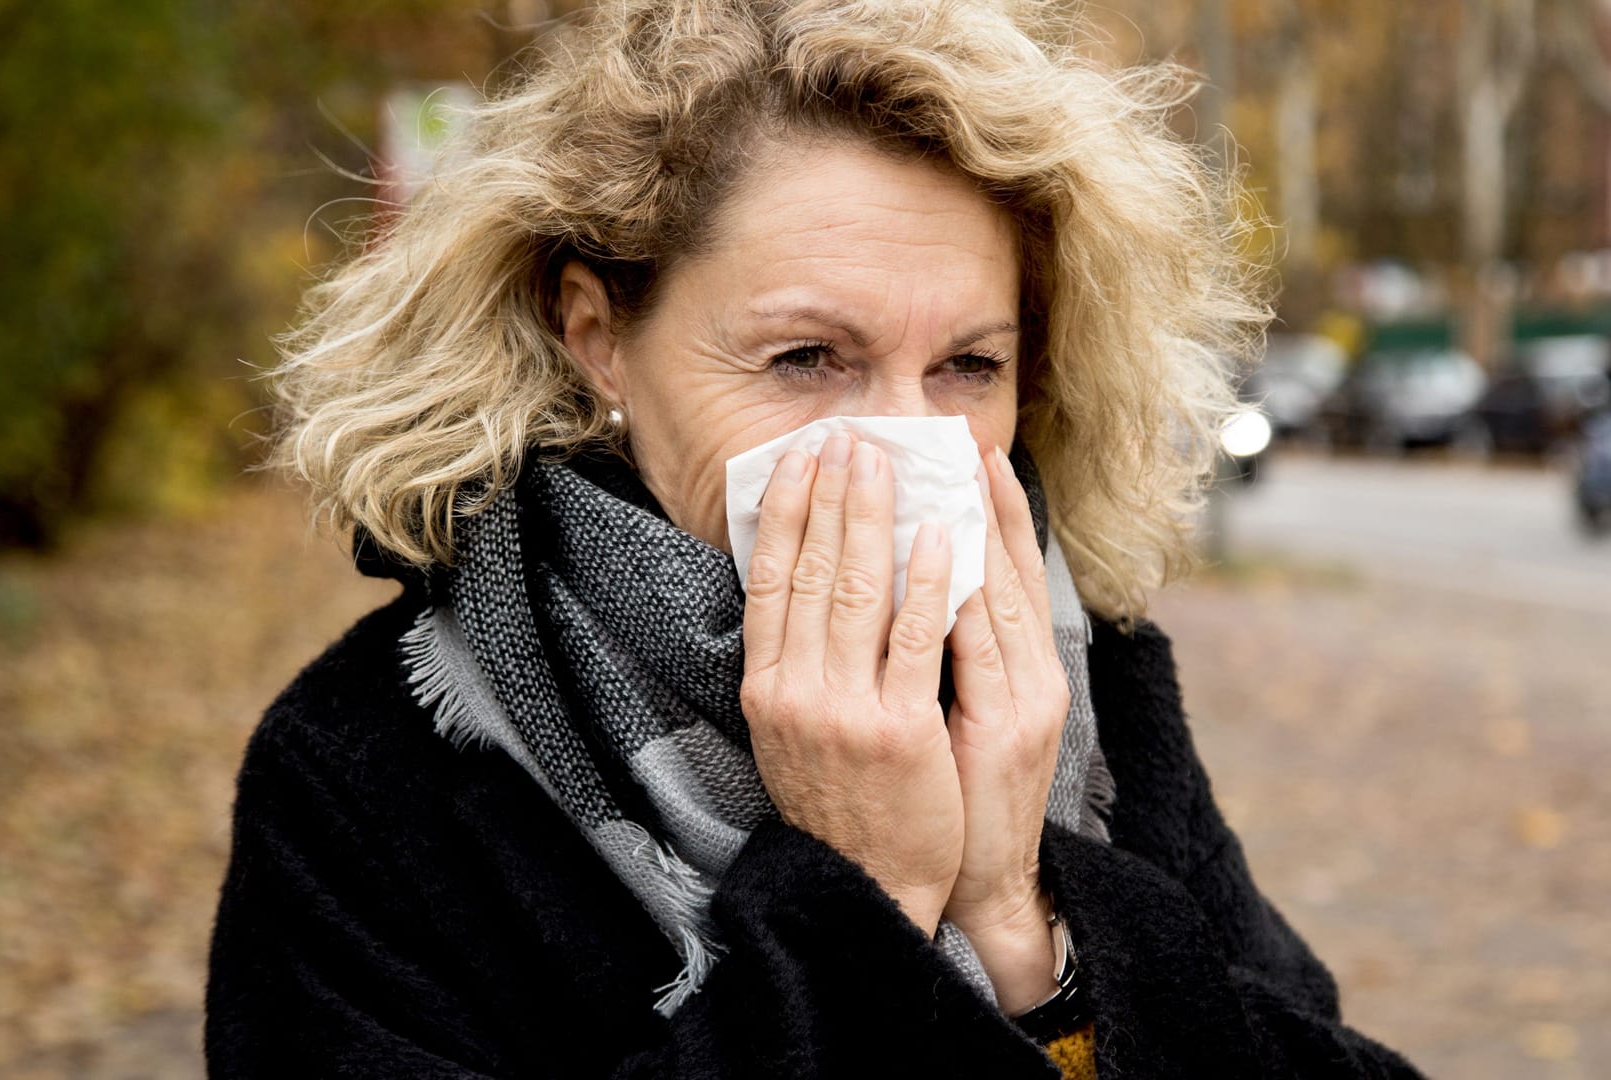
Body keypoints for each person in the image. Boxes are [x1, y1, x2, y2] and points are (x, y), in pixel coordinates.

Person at [205, 1, 1426, 1076]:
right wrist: (863, 903)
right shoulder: (370, 774)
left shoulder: (1074, 682)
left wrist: (1019, 920)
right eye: (805, 359)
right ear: (595, 335)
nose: (897, 443)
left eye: (969, 365)